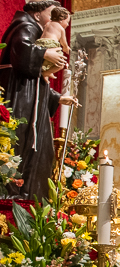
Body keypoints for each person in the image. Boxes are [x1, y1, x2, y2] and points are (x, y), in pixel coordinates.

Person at [0, 0, 78, 200]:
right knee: (20, 146)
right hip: (20, 100)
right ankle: (15, 195)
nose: (55, 20)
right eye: (51, 14)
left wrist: (59, 98)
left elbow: (37, 81)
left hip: (31, 100)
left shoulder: (40, 32)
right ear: (37, 15)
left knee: (43, 153)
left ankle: (28, 198)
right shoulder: (25, 27)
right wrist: (44, 52)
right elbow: (21, 54)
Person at [36, 6, 70, 81]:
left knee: (44, 61)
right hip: (51, 45)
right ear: (61, 20)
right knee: (61, 64)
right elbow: (63, 42)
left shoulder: (47, 24)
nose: (67, 25)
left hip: (39, 43)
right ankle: (47, 73)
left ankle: (46, 72)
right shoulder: (61, 29)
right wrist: (66, 48)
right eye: (67, 22)